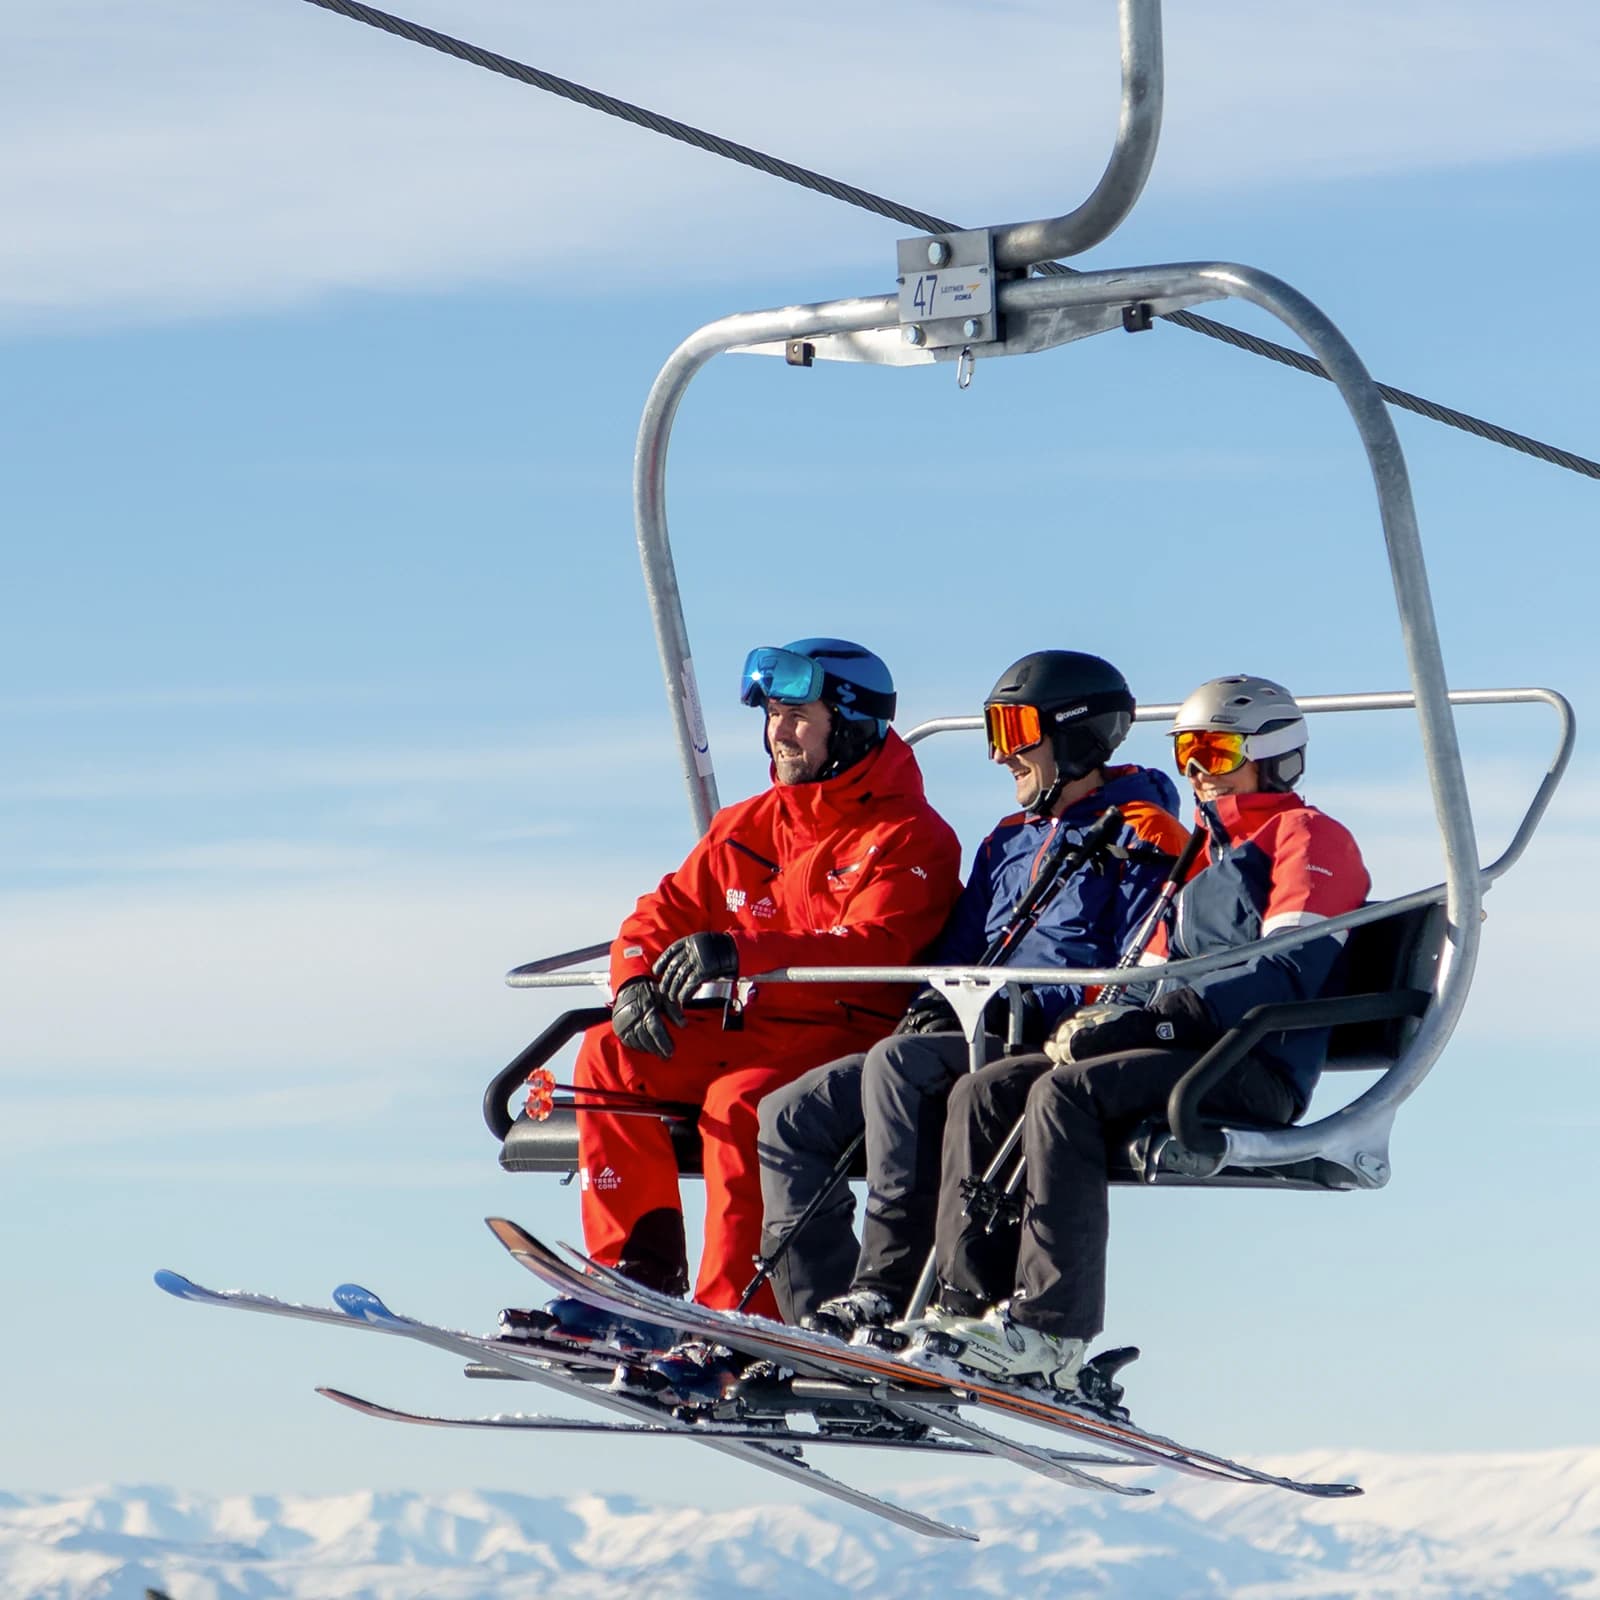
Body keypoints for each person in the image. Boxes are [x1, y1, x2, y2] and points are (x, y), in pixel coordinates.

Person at [898, 674, 1369, 1393]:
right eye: (1187, 751)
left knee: (1065, 1097)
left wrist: (1161, 1015)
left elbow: (1287, 967)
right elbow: (1144, 971)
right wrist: (1106, 1019)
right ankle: (963, 1308)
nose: (1195, 772)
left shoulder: (1307, 837)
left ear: (1272, 756)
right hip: (1182, 1053)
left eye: (1214, 752)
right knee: (989, 1089)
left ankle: (1051, 1329)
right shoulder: (1201, 856)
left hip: (1251, 1064)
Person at [519, 638, 963, 1345]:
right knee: (607, 1054)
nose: (777, 733)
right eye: (772, 716)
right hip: (750, 1026)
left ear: (849, 722)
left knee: (740, 1105)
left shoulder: (911, 837)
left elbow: (878, 947)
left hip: (845, 1033)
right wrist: (636, 976)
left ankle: (735, 1315)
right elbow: (660, 913)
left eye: (796, 716)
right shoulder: (749, 825)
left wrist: (741, 950)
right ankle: (636, 1282)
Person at [753, 650, 1190, 1338]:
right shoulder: (1006, 841)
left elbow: (1139, 966)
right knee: (788, 1114)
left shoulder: (1144, 837)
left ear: (1075, 735)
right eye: (993, 734)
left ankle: (885, 1291)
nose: (1000, 756)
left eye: (1014, 733)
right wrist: (933, 999)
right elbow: (959, 952)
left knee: (901, 1068)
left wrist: (1036, 1011)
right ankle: (819, 1326)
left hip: (1037, 1039)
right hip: (966, 1030)